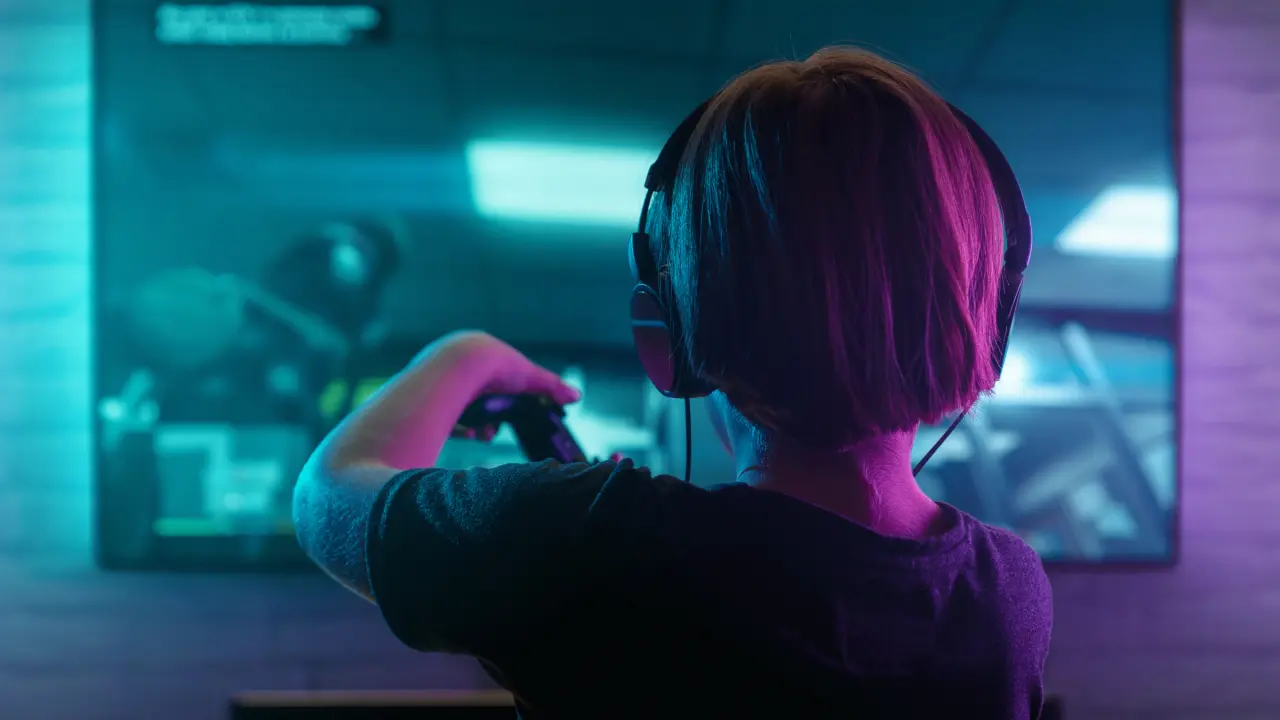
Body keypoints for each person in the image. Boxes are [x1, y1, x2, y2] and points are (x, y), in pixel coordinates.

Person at [294, 47, 1054, 719]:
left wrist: (466, 356)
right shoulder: (1009, 592)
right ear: (985, 325)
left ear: (668, 332)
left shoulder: (590, 544)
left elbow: (328, 498)